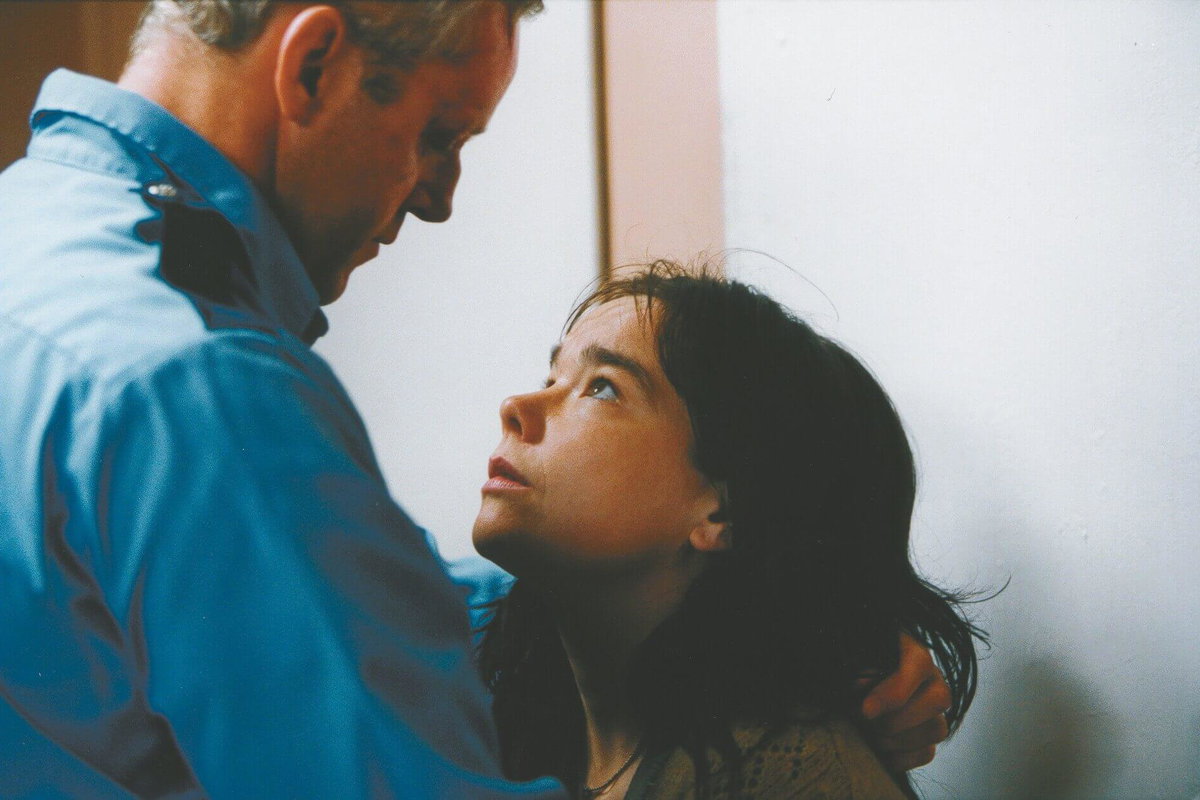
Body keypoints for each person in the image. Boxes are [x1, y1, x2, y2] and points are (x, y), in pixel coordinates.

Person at [0, 1, 950, 796]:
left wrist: (792, 622)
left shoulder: (31, 244)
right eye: (437, 136)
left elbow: (323, 595)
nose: (439, 197)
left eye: (600, 387)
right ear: (314, 64)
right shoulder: (202, 388)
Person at [473, 264, 987, 799]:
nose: (515, 407)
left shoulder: (797, 777)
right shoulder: (493, 708)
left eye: (601, 388)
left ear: (723, 511)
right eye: (551, 379)